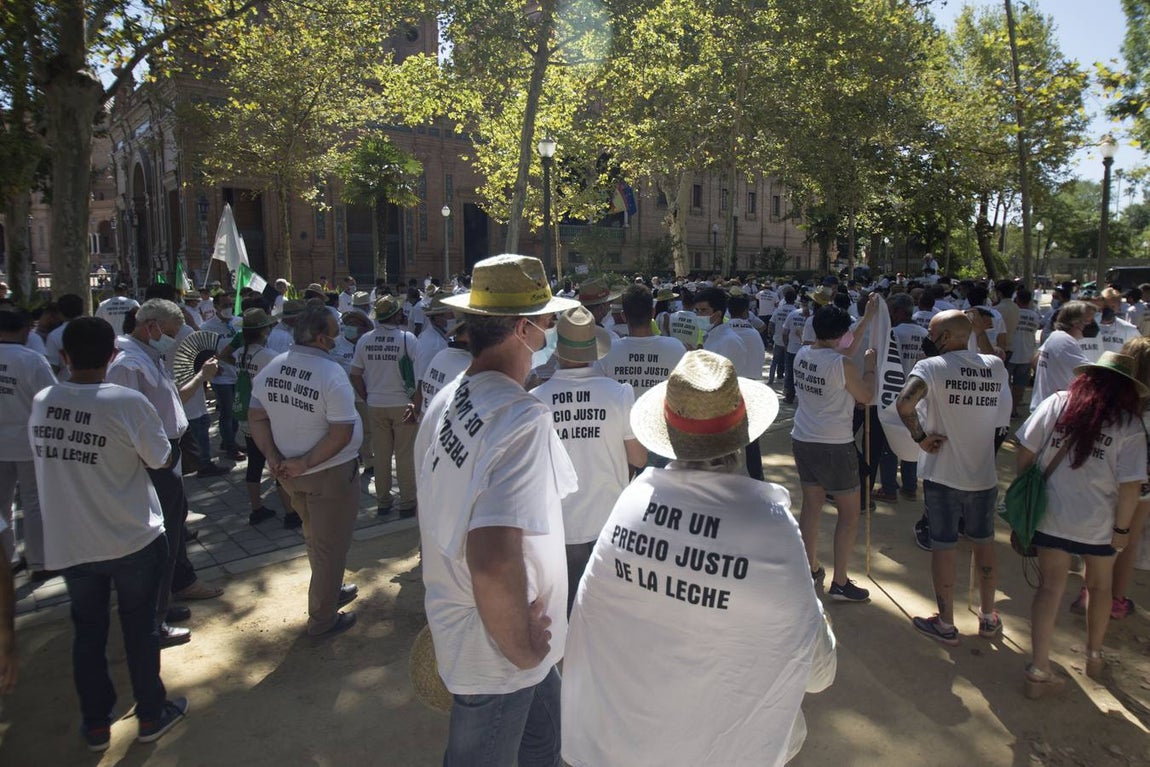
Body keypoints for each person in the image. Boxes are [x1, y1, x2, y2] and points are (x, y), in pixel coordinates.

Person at [561, 350, 836, 767]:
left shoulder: (632, 500)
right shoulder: (771, 524)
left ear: (669, 432)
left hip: (609, 743)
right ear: (743, 433)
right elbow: (819, 673)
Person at [416, 254, 580, 766]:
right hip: (500, 646)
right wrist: (523, 651)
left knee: (543, 746)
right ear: (523, 328)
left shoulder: (451, 395)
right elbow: (491, 556)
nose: (552, 330)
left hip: (493, 628)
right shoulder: (519, 418)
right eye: (547, 321)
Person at [30, 317, 187, 750]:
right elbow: (160, 458)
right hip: (132, 536)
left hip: (72, 541)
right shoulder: (126, 402)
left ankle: (96, 724)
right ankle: (151, 714)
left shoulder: (44, 400)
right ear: (113, 355)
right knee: (141, 629)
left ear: (62, 357)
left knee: (88, 631)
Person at [1016, 351, 1146, 697]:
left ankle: (1038, 668)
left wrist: (1028, 487)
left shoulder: (1058, 402)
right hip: (1100, 523)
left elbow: (1025, 448)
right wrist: (1122, 531)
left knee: (1049, 588)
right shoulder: (1129, 424)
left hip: (1051, 514)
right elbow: (1131, 485)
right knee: (1100, 587)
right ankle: (1094, 655)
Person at [107, 299, 223, 647]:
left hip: (165, 453)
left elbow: (170, 400)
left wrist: (202, 377)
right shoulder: (127, 363)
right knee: (159, 537)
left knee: (173, 527)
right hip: (151, 459)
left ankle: (173, 590)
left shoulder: (147, 356)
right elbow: (126, 419)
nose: (173, 339)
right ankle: (154, 618)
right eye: (170, 332)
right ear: (151, 326)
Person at [895, 310, 1011, 645]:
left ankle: (946, 623)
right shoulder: (996, 367)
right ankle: (988, 617)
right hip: (983, 475)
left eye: (932, 332)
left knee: (943, 548)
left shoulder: (931, 368)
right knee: (984, 544)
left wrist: (920, 438)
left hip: (942, 475)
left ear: (944, 337)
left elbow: (904, 404)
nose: (928, 338)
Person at [249, 306, 363, 637]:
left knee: (315, 538)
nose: (339, 336)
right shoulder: (330, 374)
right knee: (330, 546)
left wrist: (272, 455)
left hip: (289, 474)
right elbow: (341, 431)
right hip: (329, 473)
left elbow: (256, 416)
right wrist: (307, 462)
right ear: (320, 337)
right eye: (335, 330)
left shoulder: (272, 367)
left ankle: (331, 589)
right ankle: (323, 619)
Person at [531, 306, 646, 615]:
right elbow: (638, 456)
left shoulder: (536, 400)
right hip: (608, 522)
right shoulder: (619, 394)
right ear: (594, 351)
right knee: (603, 612)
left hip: (556, 526)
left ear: (557, 350)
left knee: (562, 612)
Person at [791, 304, 875, 602]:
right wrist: (871, 369)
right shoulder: (843, 365)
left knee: (811, 506)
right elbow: (865, 396)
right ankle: (840, 581)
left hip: (803, 438)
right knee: (849, 515)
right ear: (841, 335)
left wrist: (865, 321)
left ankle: (809, 567)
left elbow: (841, 357)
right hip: (834, 445)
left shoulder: (803, 354)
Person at [350, 296, 418, 517]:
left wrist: (367, 396)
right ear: (397, 315)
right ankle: (407, 501)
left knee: (380, 455)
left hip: (375, 404)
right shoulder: (408, 339)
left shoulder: (364, 340)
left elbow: (355, 375)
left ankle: (383, 501)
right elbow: (418, 376)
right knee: (405, 455)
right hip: (402, 404)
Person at [0, 307, 55, 576]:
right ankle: (38, 561)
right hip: (29, 442)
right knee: (34, 502)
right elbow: (51, 400)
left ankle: (6, 559)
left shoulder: (32, 359)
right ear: (24, 330)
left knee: (2, 505)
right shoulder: (31, 360)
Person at [234, 309, 286, 526]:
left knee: (254, 463)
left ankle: (256, 507)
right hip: (267, 417)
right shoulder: (269, 356)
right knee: (278, 462)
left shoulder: (240, 353)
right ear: (264, 330)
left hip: (247, 416)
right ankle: (291, 511)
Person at [593, 283, 686, 399]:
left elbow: (599, 393)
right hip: (660, 416)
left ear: (623, 316)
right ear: (652, 313)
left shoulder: (606, 351)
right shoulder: (676, 348)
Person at [875, 293, 924, 503]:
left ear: (899, 312)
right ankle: (910, 486)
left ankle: (888, 487)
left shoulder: (893, 333)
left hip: (894, 393)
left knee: (889, 442)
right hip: (918, 396)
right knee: (913, 437)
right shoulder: (925, 333)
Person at [1030, 300, 1095, 412]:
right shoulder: (1065, 341)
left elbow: (1035, 361)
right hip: (1055, 411)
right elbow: (1091, 372)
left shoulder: (1055, 336)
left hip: (1044, 405)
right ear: (1075, 322)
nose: (1093, 324)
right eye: (1088, 321)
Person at [1009, 287, 1043, 419]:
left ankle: (1004, 409)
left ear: (1017, 299)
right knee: (1020, 385)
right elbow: (1039, 327)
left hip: (1011, 352)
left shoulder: (1013, 313)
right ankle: (1013, 410)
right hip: (1027, 354)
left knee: (1006, 384)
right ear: (1029, 301)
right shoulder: (1034, 315)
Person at [45, 293, 84, 380]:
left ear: (59, 312)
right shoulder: (97, 328)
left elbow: (53, 367)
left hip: (67, 384)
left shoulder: (54, 335)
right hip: (96, 384)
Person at [768, 286, 797, 385]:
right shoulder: (796, 312)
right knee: (787, 363)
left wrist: (771, 336)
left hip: (777, 339)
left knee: (774, 361)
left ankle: (770, 379)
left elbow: (771, 324)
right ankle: (786, 383)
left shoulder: (778, 310)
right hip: (790, 342)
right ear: (794, 299)